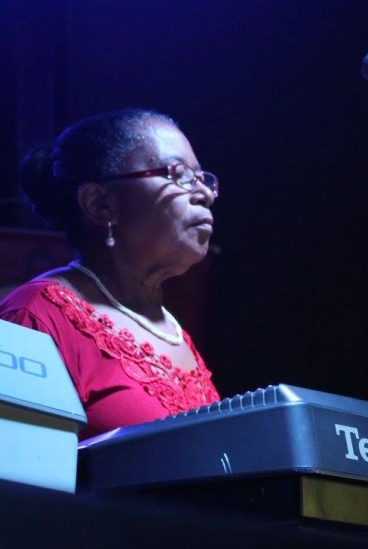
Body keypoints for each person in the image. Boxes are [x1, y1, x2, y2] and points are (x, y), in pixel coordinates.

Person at [0, 108, 220, 440]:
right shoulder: (37, 316)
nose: (204, 193)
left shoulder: (171, 329)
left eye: (202, 178)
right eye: (178, 174)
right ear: (99, 203)